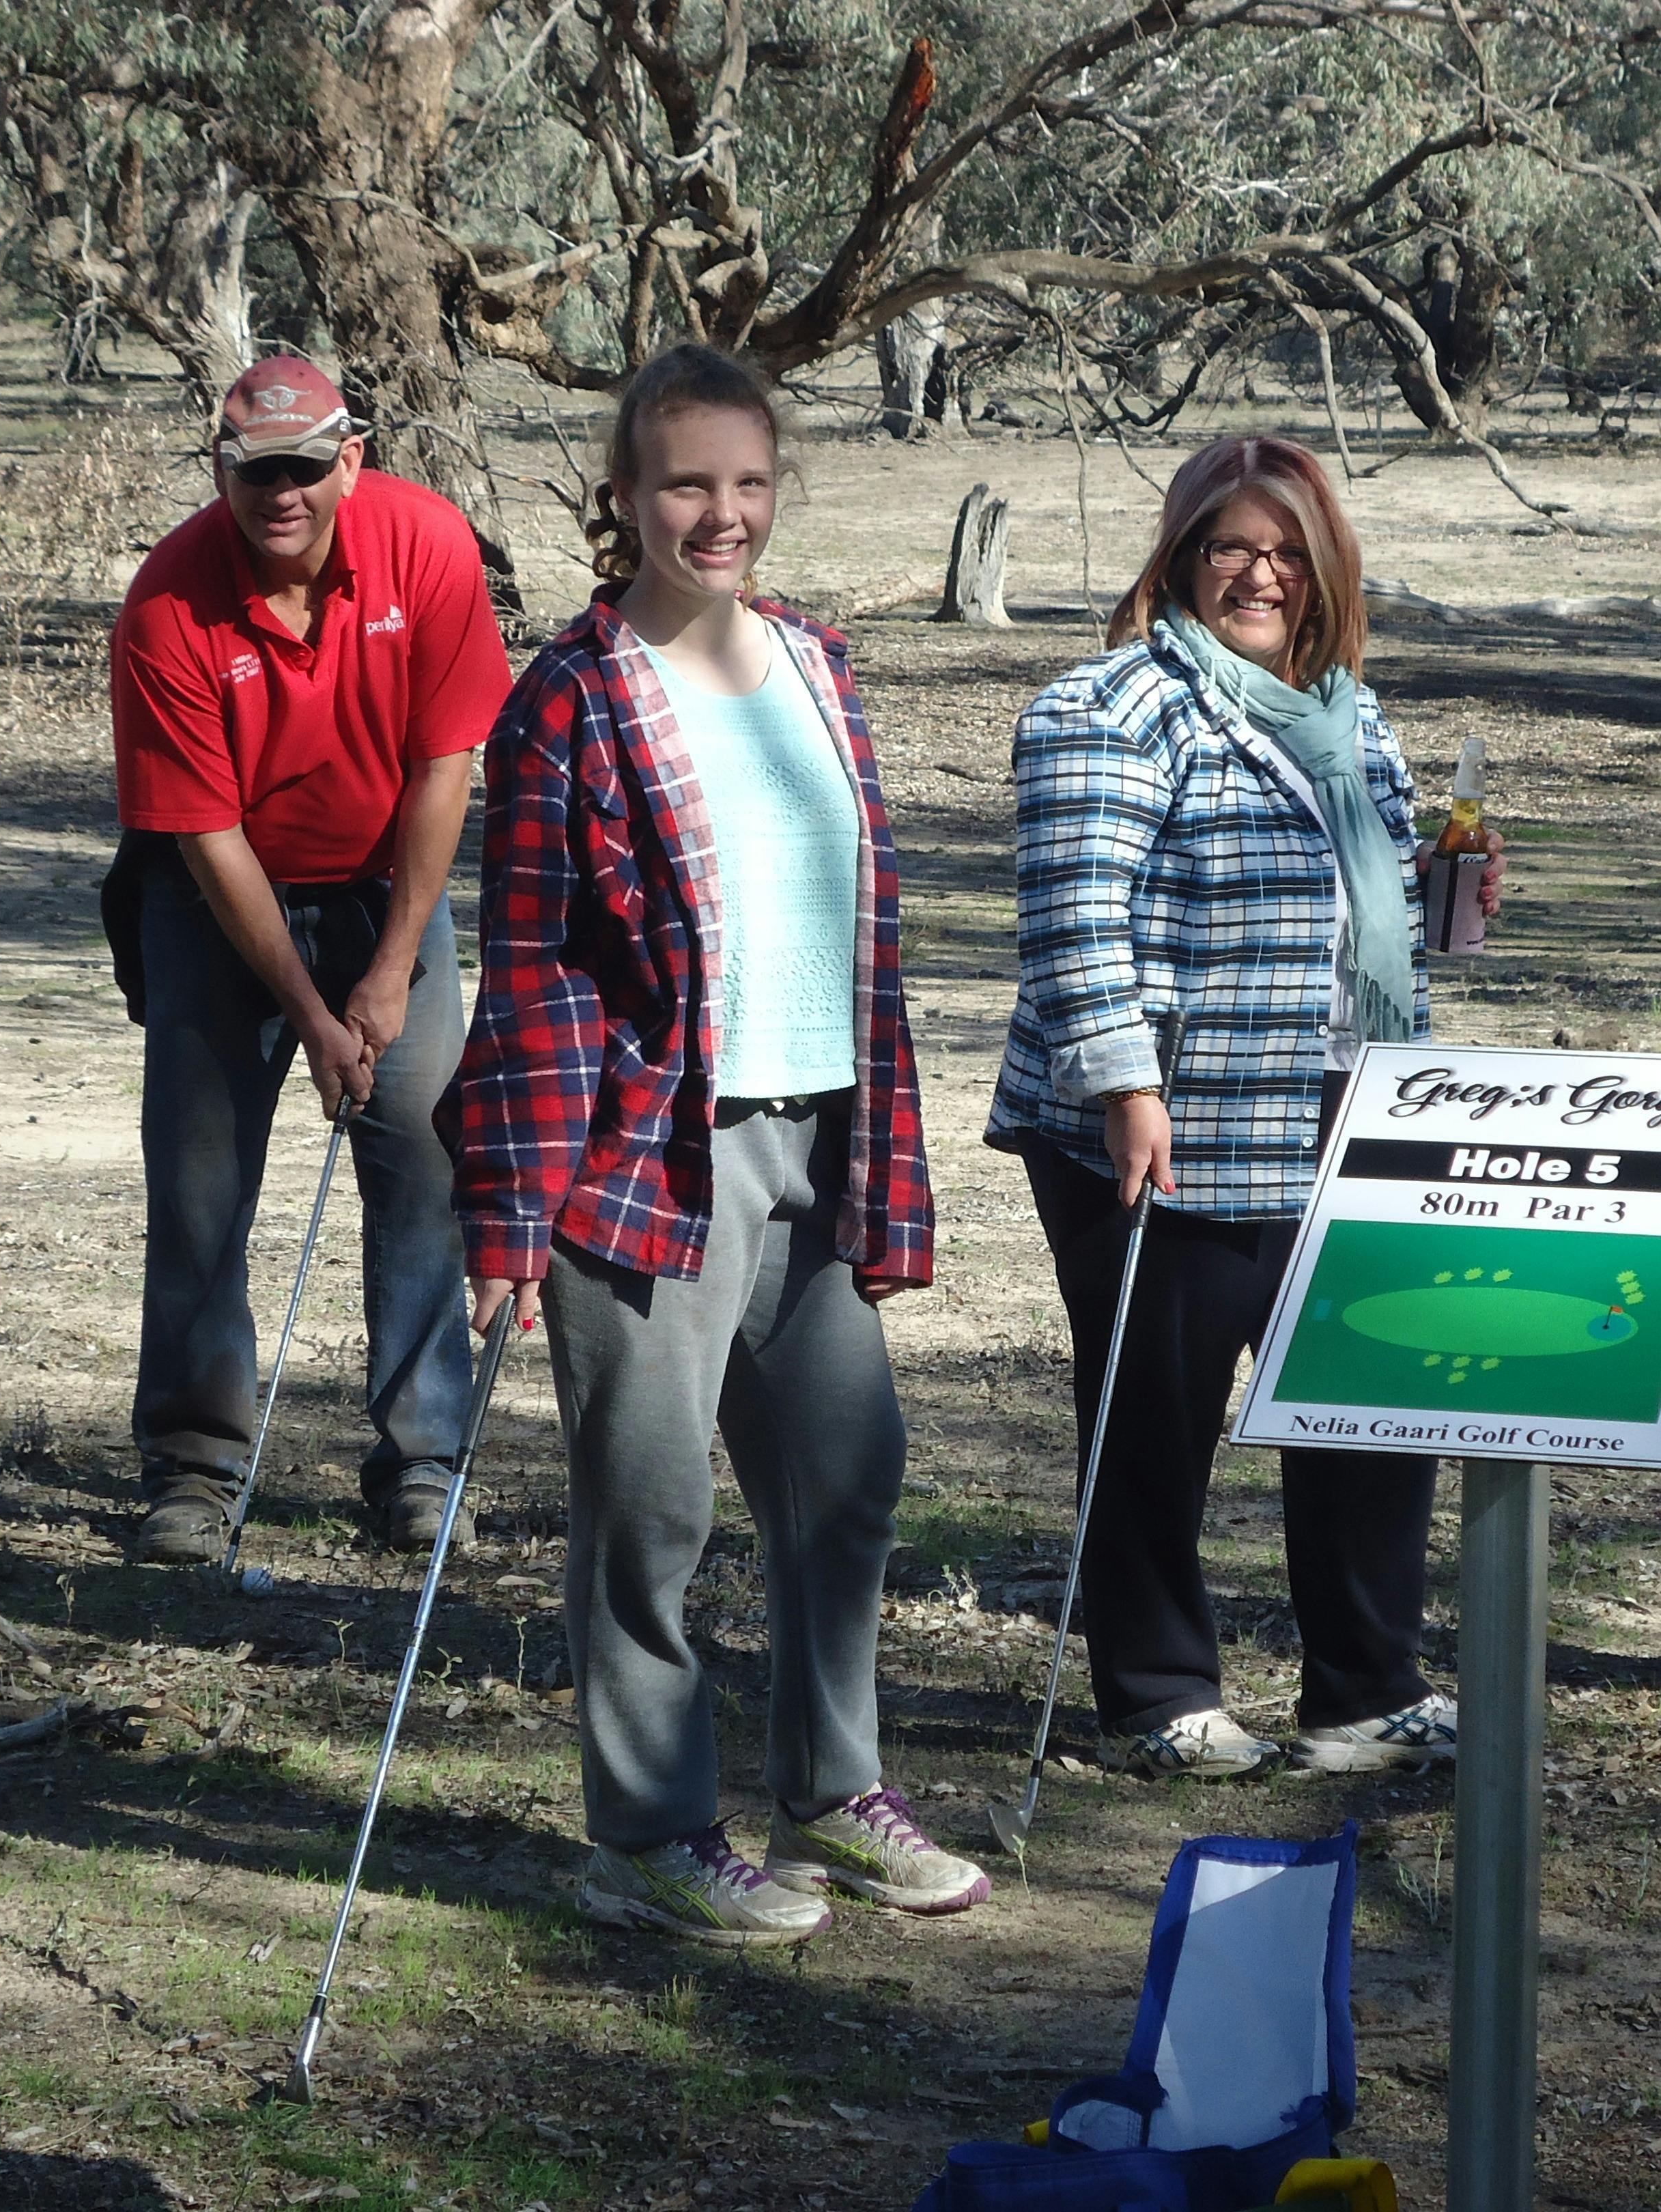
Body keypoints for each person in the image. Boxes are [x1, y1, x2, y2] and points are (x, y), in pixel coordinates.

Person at [449, 344, 985, 1946]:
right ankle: (651, 1833)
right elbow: (533, 970)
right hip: (647, 1152)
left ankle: (833, 1793)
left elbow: (861, 928)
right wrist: (507, 1215)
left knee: (847, 1472)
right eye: (688, 482)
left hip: (822, 1131)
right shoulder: (573, 695)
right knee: (652, 1502)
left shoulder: (818, 663)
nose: (722, 513)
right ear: (622, 496)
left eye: (749, 484)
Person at [986, 433, 1501, 1782]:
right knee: (1156, 1411)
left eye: (1287, 552)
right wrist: (1125, 1086)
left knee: (1366, 1395)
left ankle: (1365, 1691)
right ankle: (1157, 1694)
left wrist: (1447, 901)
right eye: (1233, 547)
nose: (1260, 574)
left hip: (1346, 1102)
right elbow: (1074, 921)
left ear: (1325, 569)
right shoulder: (1106, 707)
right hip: (1165, 1117)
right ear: (1181, 556)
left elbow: (1377, 923)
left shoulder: (1347, 716)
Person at [106, 355, 509, 1565]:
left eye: (301, 466)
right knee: (198, 1185)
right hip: (216, 898)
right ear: (218, 470)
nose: (278, 492)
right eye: (250, 470)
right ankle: (193, 1466)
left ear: (351, 458)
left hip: (392, 882)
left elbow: (447, 767)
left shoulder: (429, 548)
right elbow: (204, 835)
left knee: (425, 1160)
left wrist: (388, 974)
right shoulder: (168, 604)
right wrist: (310, 1009)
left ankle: (425, 1462)